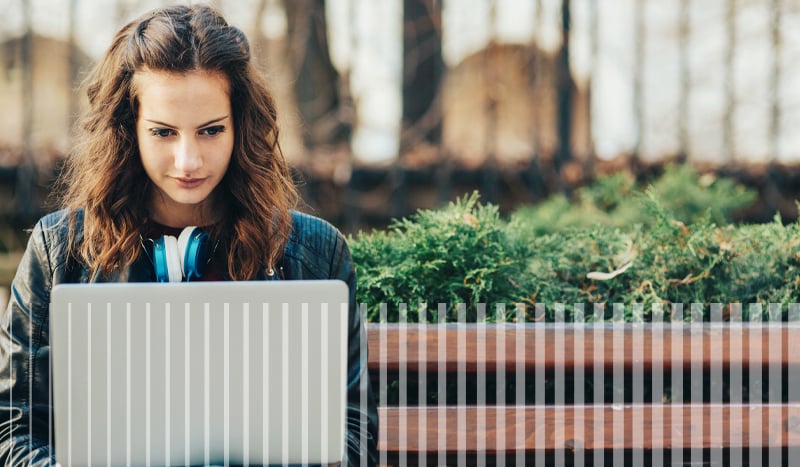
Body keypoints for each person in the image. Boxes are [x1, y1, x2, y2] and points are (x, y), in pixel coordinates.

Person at [0, 4, 378, 465]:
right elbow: (14, 433)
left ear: (241, 127)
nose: (188, 161)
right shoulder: (59, 251)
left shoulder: (314, 253)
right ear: (128, 130)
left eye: (211, 130)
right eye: (162, 132)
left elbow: (352, 435)